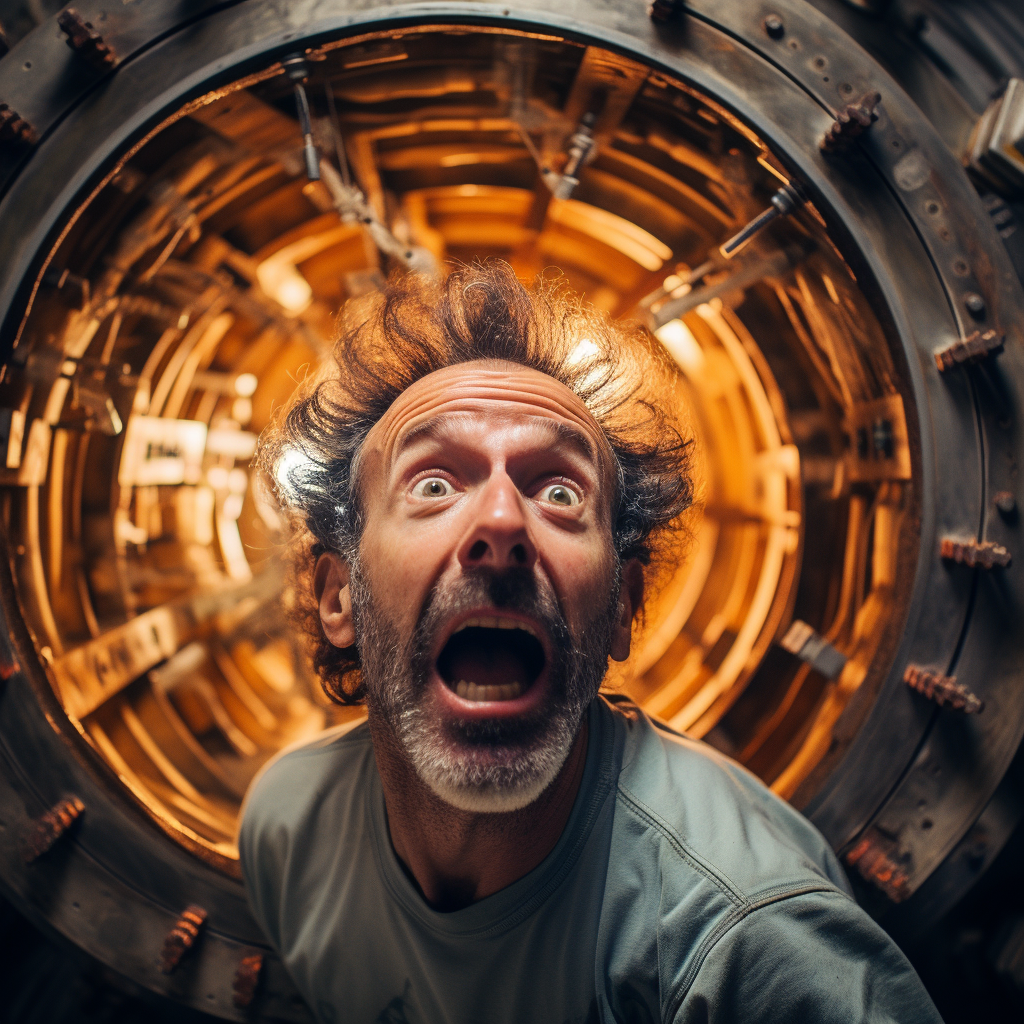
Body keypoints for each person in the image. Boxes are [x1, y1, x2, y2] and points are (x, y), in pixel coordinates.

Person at [240, 262, 942, 1024]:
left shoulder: (745, 949)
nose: (503, 523)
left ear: (621, 608)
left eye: (560, 492)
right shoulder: (286, 835)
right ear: (338, 596)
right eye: (435, 483)